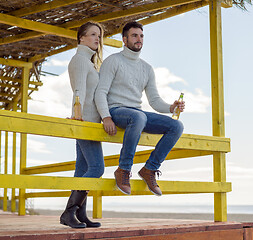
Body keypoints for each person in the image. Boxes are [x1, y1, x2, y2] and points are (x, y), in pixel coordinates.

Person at [95, 21, 185, 197]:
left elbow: (154, 100)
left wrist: (171, 107)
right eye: (134, 35)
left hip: (137, 114)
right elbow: (101, 92)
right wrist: (105, 116)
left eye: (141, 36)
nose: (139, 39)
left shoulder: (147, 68)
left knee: (177, 126)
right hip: (116, 111)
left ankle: (150, 169)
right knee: (138, 117)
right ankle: (123, 169)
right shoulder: (113, 61)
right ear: (124, 39)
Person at [60, 21, 105, 229]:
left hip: (91, 123)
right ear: (81, 38)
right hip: (85, 122)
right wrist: (78, 117)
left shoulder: (88, 62)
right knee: (97, 167)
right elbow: (79, 91)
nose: (97, 38)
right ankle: (69, 212)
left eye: (99, 35)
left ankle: (80, 214)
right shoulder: (79, 60)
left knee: (83, 170)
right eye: (93, 34)